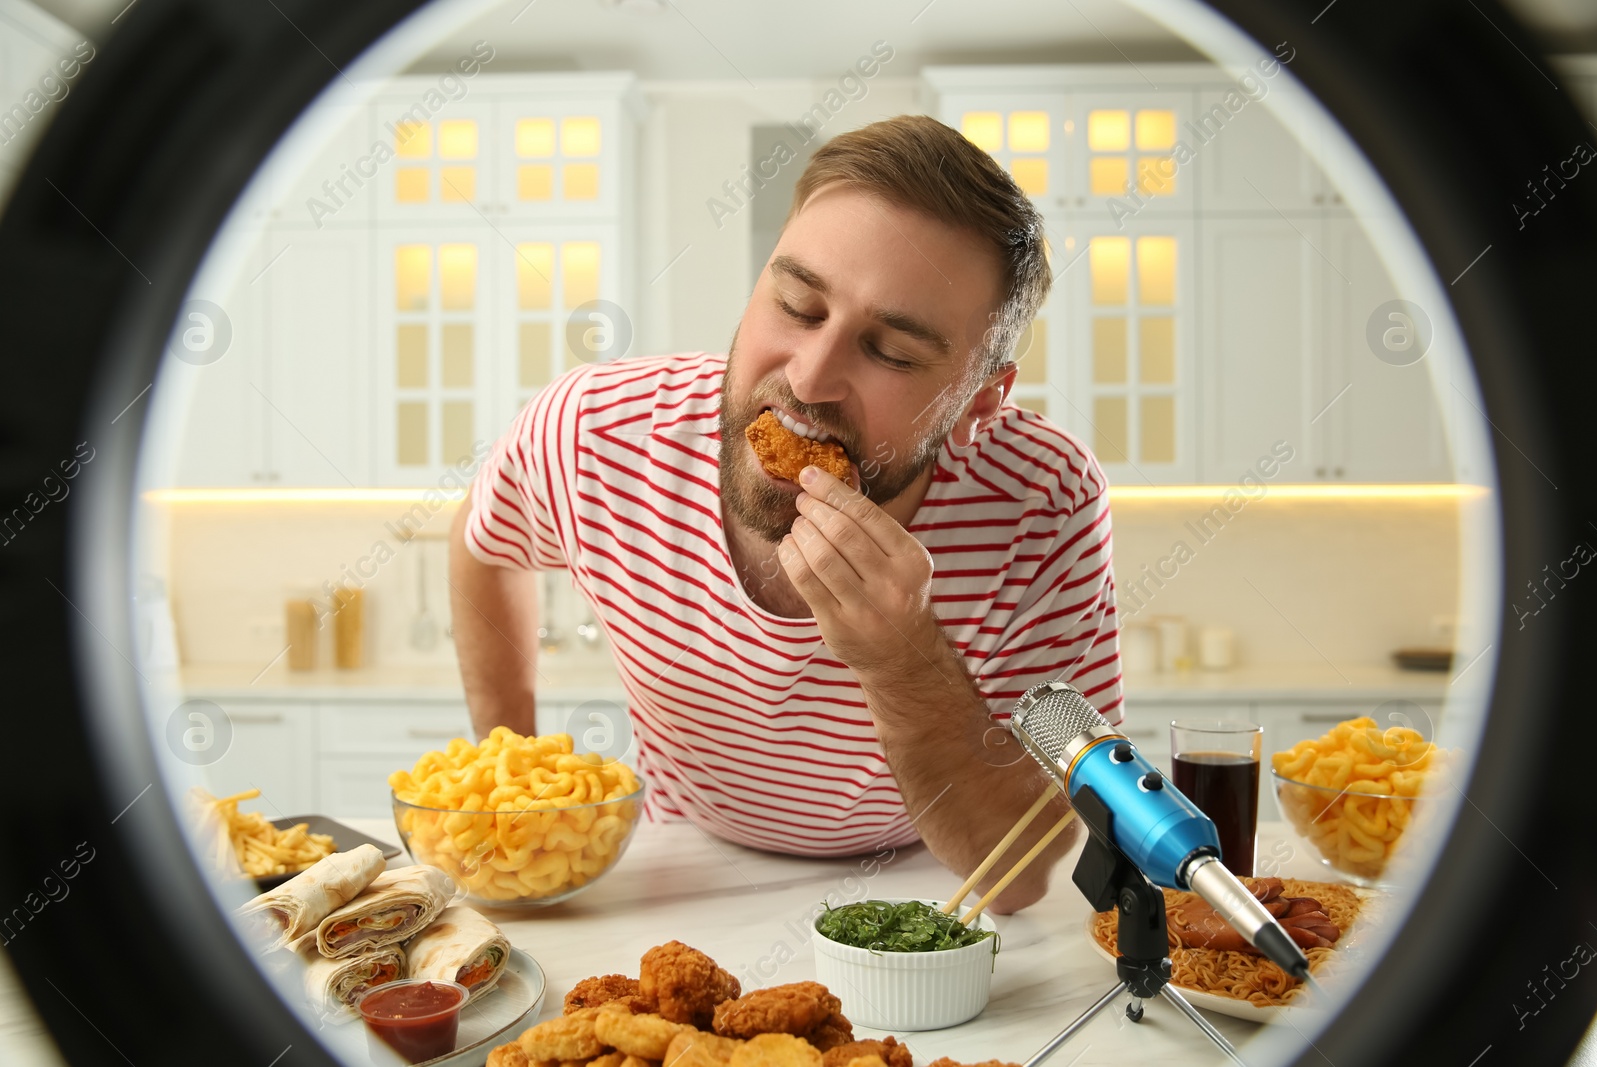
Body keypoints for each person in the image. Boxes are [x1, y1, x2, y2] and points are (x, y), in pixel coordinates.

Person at [449, 114, 1122, 914]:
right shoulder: (597, 431)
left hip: (925, 886)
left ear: (979, 403)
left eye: (893, 353)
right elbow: (482, 538)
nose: (809, 379)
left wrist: (903, 659)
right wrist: (514, 771)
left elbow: (1018, 874)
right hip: (679, 870)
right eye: (799, 305)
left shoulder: (1045, 503)